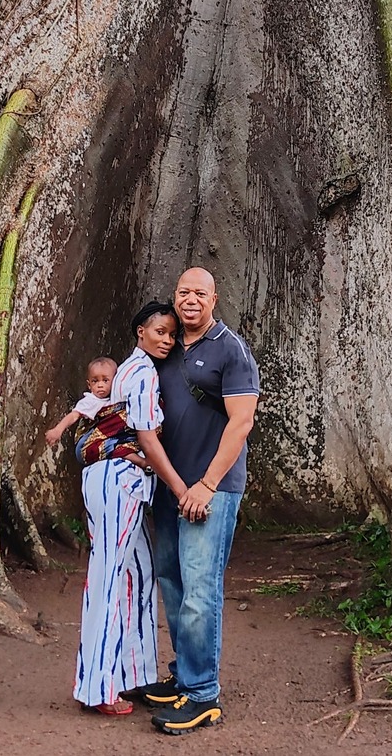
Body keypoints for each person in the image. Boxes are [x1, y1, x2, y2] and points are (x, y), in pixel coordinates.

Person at [140, 267, 260, 734]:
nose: (191, 300)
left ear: (215, 298)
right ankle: (185, 677)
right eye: (183, 292)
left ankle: (204, 694)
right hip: (171, 488)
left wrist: (206, 485)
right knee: (172, 581)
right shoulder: (166, 348)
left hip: (210, 490)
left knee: (200, 589)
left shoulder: (231, 351)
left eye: (200, 293)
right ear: (175, 297)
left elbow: (241, 423)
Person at [72, 304, 189, 717]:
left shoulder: (136, 370)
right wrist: (178, 485)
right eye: (159, 331)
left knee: (138, 575)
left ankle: (133, 676)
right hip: (117, 480)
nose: (167, 339)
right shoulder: (139, 373)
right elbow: (145, 436)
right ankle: (97, 688)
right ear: (141, 331)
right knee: (107, 578)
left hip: (127, 484)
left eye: (172, 335)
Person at [43, 356, 117, 448]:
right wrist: (58, 430)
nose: (100, 385)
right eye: (95, 381)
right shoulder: (90, 400)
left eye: (105, 380)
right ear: (89, 385)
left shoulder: (116, 397)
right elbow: (74, 415)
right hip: (90, 443)